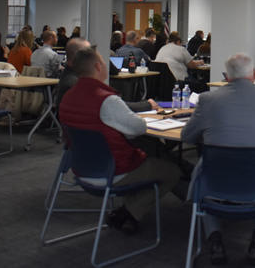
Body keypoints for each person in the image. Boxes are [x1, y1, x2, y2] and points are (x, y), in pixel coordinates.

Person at [181, 52, 255, 266]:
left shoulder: (207, 100)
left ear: (226, 76)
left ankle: (215, 239)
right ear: (253, 74)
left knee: (201, 172)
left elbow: (187, 137)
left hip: (214, 181)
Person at [59, 47, 181, 234]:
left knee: (145, 151)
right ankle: (127, 212)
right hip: (114, 170)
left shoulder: (68, 97)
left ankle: (128, 213)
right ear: (98, 66)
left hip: (83, 169)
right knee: (172, 171)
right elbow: (138, 128)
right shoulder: (106, 100)